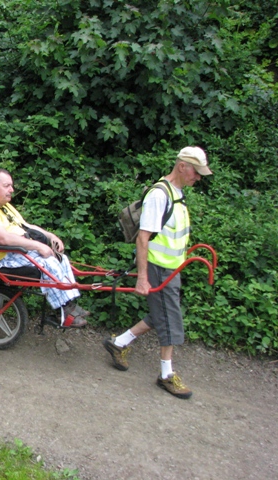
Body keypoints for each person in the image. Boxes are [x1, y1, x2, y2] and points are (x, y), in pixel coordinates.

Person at [103, 146, 212, 399]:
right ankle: (166, 374)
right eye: (196, 172)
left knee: (161, 313)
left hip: (171, 267)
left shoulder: (178, 193)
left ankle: (118, 343)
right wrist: (143, 277)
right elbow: (143, 239)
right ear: (182, 166)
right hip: (158, 267)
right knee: (170, 318)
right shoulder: (159, 195)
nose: (198, 178)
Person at [0, 168, 89, 327]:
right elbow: (2, 238)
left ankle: (69, 305)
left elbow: (27, 226)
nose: (12, 190)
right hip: (2, 256)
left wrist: (50, 236)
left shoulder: (4, 206)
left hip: (18, 251)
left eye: (11, 186)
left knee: (61, 258)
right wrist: (38, 246)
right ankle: (62, 313)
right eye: (7, 186)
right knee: (48, 262)